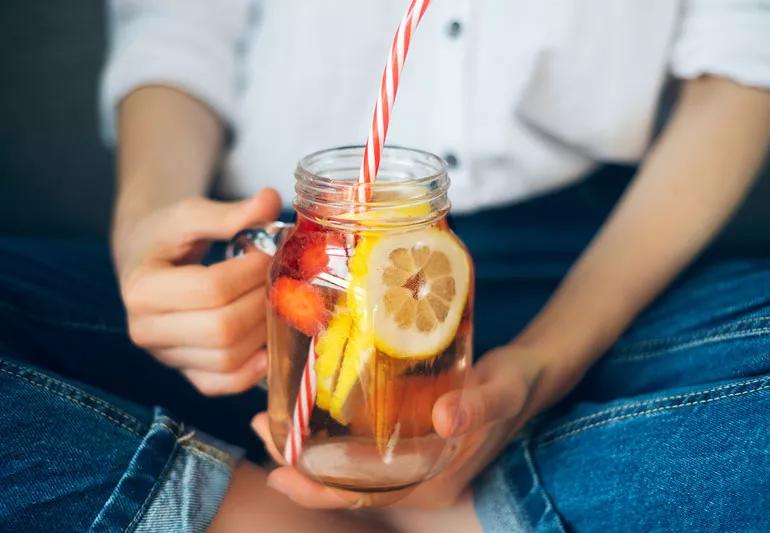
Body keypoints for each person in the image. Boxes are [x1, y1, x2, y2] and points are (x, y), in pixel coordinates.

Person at [2, 1, 769, 531]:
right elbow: (174, 25)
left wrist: (538, 367)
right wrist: (147, 236)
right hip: (266, 267)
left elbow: (745, 55)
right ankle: (253, 513)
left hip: (594, 266)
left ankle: (465, 503)